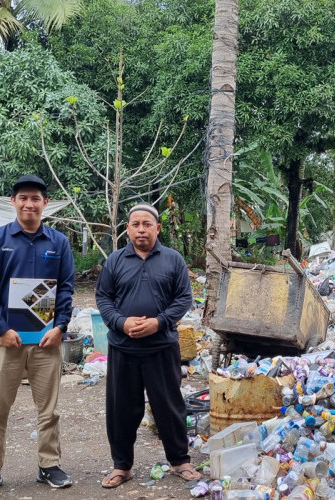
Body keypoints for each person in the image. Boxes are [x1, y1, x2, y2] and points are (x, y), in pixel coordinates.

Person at [0, 174, 75, 498]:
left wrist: (60, 327)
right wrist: (0, 330)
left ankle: (49, 466)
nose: (29, 203)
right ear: (13, 202)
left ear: (45, 204)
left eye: (36, 198)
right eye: (23, 197)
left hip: (46, 342)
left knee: (49, 410)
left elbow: (67, 288)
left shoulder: (59, 243)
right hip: (5, 342)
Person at [95, 202, 197, 488]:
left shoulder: (173, 259)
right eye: (136, 224)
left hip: (161, 347)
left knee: (169, 406)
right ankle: (121, 466)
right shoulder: (115, 260)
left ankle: (180, 461)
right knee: (122, 409)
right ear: (127, 228)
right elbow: (103, 298)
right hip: (123, 348)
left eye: (147, 224)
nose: (141, 229)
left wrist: (159, 322)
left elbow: (183, 299)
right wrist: (121, 322)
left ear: (157, 228)